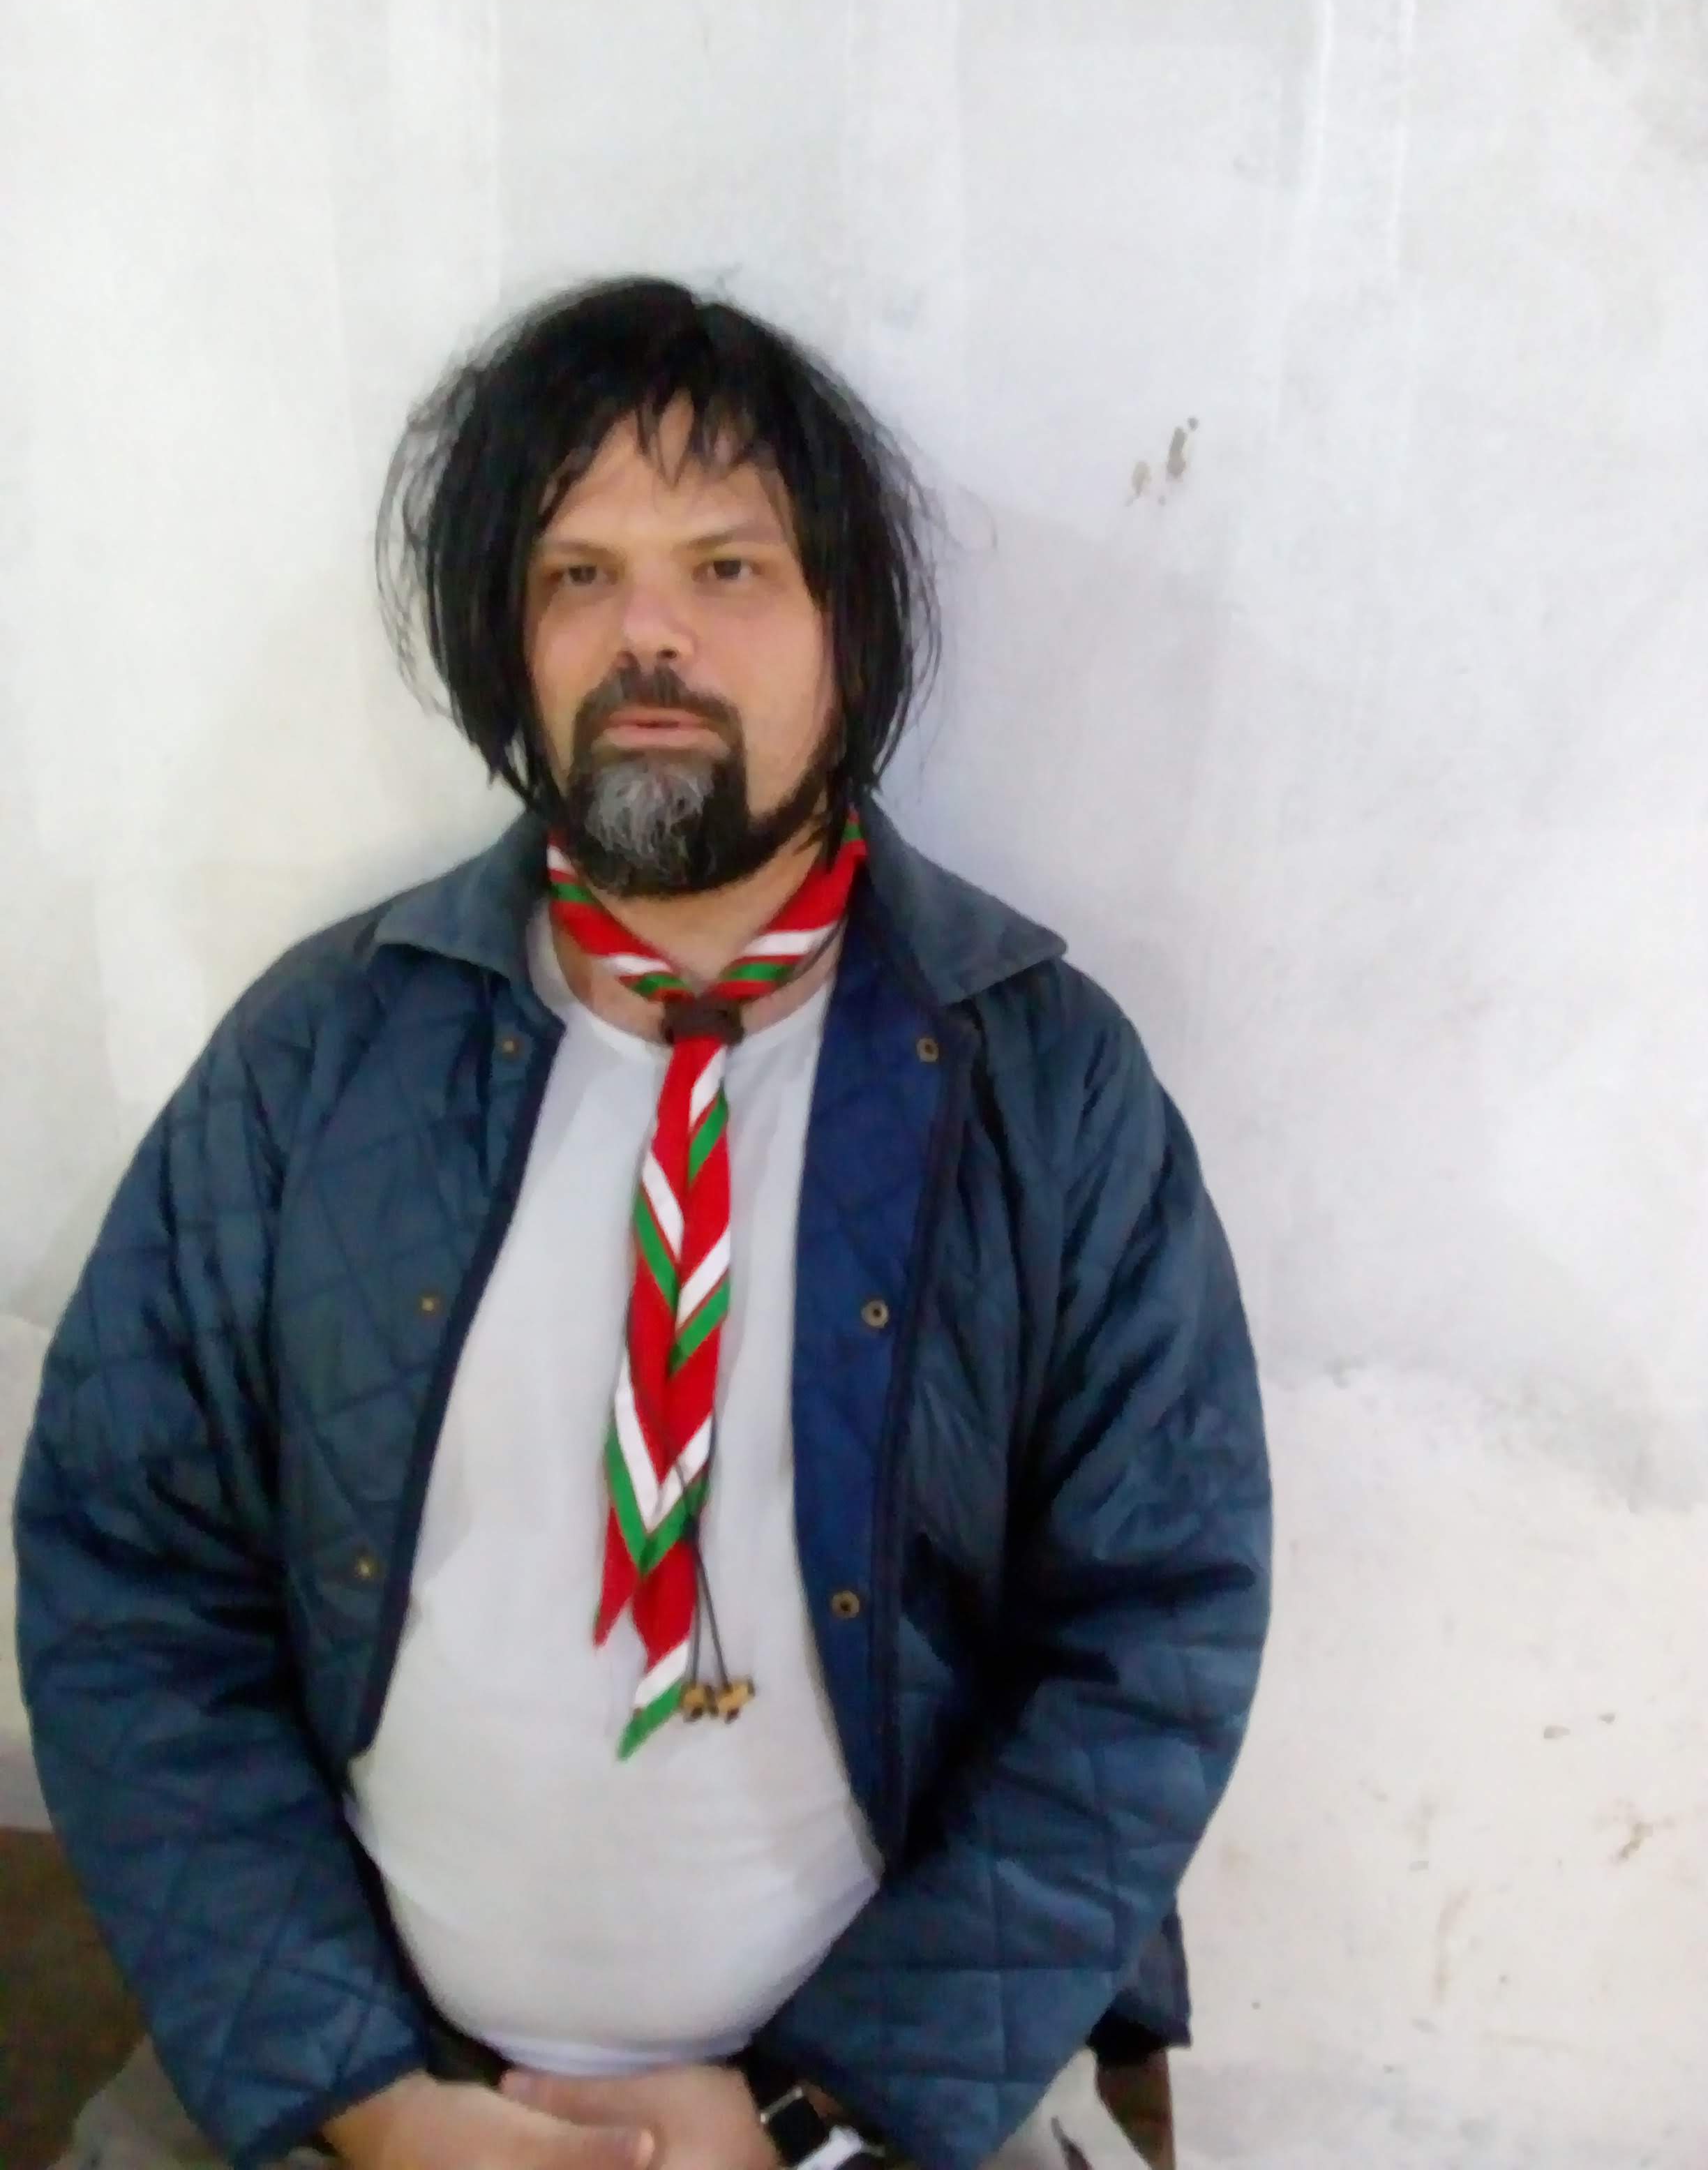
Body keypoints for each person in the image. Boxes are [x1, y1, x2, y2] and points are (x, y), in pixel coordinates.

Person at [14, 278, 1271, 2170]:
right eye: (577, 574)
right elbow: (128, 1576)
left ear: (852, 631)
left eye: (730, 568)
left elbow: (1156, 1633)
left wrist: (819, 2118)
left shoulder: (1045, 1085)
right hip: (343, 2076)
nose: (650, 634)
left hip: (881, 2100)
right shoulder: (320, 1055)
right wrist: (360, 2098)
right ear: (506, 640)